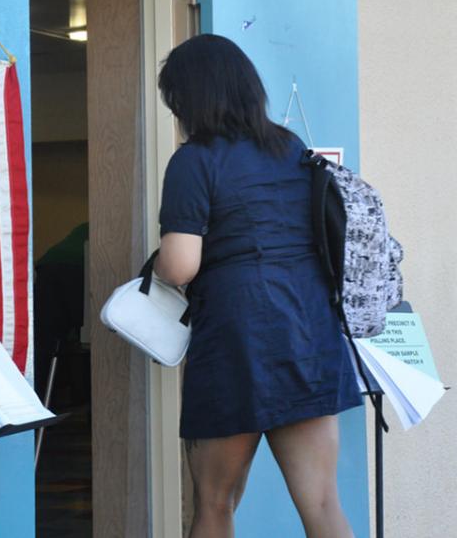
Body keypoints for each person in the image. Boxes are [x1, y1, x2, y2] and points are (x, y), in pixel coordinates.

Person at [153, 34, 363, 538]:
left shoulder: (194, 160)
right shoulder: (290, 149)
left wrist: (158, 268)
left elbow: (180, 266)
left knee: (215, 505)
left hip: (236, 339)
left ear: (191, 98)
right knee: (323, 502)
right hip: (309, 334)